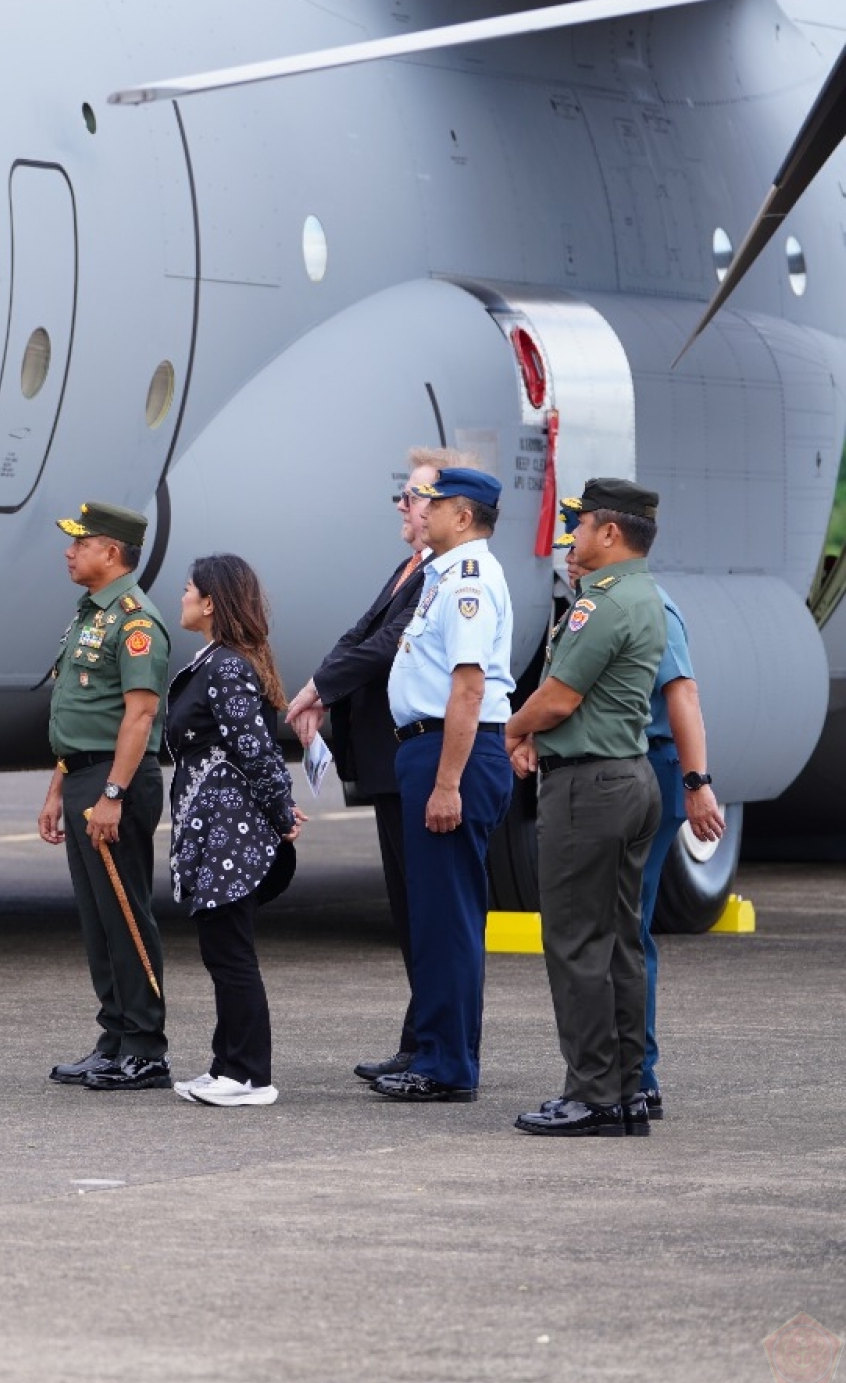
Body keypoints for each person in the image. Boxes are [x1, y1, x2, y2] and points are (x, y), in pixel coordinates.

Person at [284, 446, 472, 1081]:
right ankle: (422, 1040)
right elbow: (359, 635)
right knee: (410, 907)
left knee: (431, 910)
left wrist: (317, 689)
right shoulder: (411, 566)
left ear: (449, 509)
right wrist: (321, 686)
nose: (403, 505)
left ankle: (440, 1050)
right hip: (392, 760)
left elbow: (389, 646)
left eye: (414, 496)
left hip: (414, 756)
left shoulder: (445, 575)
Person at [503, 478, 668, 1137]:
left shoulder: (599, 605)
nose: (573, 537)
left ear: (609, 532)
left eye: (582, 525)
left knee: (575, 942)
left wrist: (513, 729)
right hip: (628, 779)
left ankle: (592, 1091)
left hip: (590, 788)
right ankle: (626, 1089)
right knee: (619, 943)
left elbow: (560, 696)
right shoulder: (646, 595)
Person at [369, 465, 514, 1104]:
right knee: (432, 917)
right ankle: (433, 1052)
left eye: (432, 502)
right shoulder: (441, 575)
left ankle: (448, 1066)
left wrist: (448, 782)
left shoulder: (470, 582)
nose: (417, 510)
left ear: (462, 515)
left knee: (448, 919)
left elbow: (469, 686)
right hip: (426, 750)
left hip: (448, 753)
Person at [39, 501, 172, 1093]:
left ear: (111, 552)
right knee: (98, 919)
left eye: (80, 542)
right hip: (86, 775)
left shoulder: (134, 621)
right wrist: (57, 788)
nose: (70, 552)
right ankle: (115, 1037)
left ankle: (145, 1047)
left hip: (116, 781)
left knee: (125, 912)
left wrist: (113, 793)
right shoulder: (89, 615)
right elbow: (79, 714)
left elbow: (139, 717)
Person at [166, 554, 304, 1108]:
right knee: (221, 951)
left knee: (231, 953)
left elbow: (257, 749)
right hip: (213, 827)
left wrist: (283, 813)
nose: (181, 597)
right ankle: (227, 1064)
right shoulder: (218, 661)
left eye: (188, 590)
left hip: (229, 833)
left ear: (210, 604)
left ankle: (249, 1075)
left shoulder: (225, 667)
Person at [636, 582, 725, 1119]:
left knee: (628, 925)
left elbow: (682, 693)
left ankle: (638, 1073)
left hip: (651, 764)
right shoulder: (597, 600)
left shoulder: (652, 606)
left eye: (582, 532)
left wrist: (697, 783)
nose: (569, 547)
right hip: (627, 766)